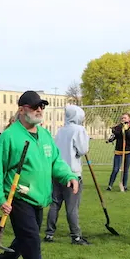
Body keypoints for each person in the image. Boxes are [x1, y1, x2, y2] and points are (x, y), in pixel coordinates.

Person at [0, 91, 79, 259]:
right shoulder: (9, 136)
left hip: (39, 197)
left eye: (42, 106)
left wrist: (68, 175)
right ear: (22, 109)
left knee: (24, 239)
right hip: (18, 198)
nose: (39, 110)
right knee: (31, 239)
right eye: (34, 106)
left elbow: (55, 161)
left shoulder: (45, 135)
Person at [44, 105, 90, 245]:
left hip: (57, 172)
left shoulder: (61, 130)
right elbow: (83, 150)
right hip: (72, 173)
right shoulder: (79, 130)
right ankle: (76, 236)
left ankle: (49, 234)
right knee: (72, 206)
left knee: (55, 204)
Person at [107, 113, 130, 191]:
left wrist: (126, 130)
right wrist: (111, 138)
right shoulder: (118, 127)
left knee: (125, 169)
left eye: (125, 118)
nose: (123, 119)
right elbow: (115, 135)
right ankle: (110, 185)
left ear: (129, 119)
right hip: (119, 151)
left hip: (129, 151)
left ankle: (124, 185)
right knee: (115, 169)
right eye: (122, 118)